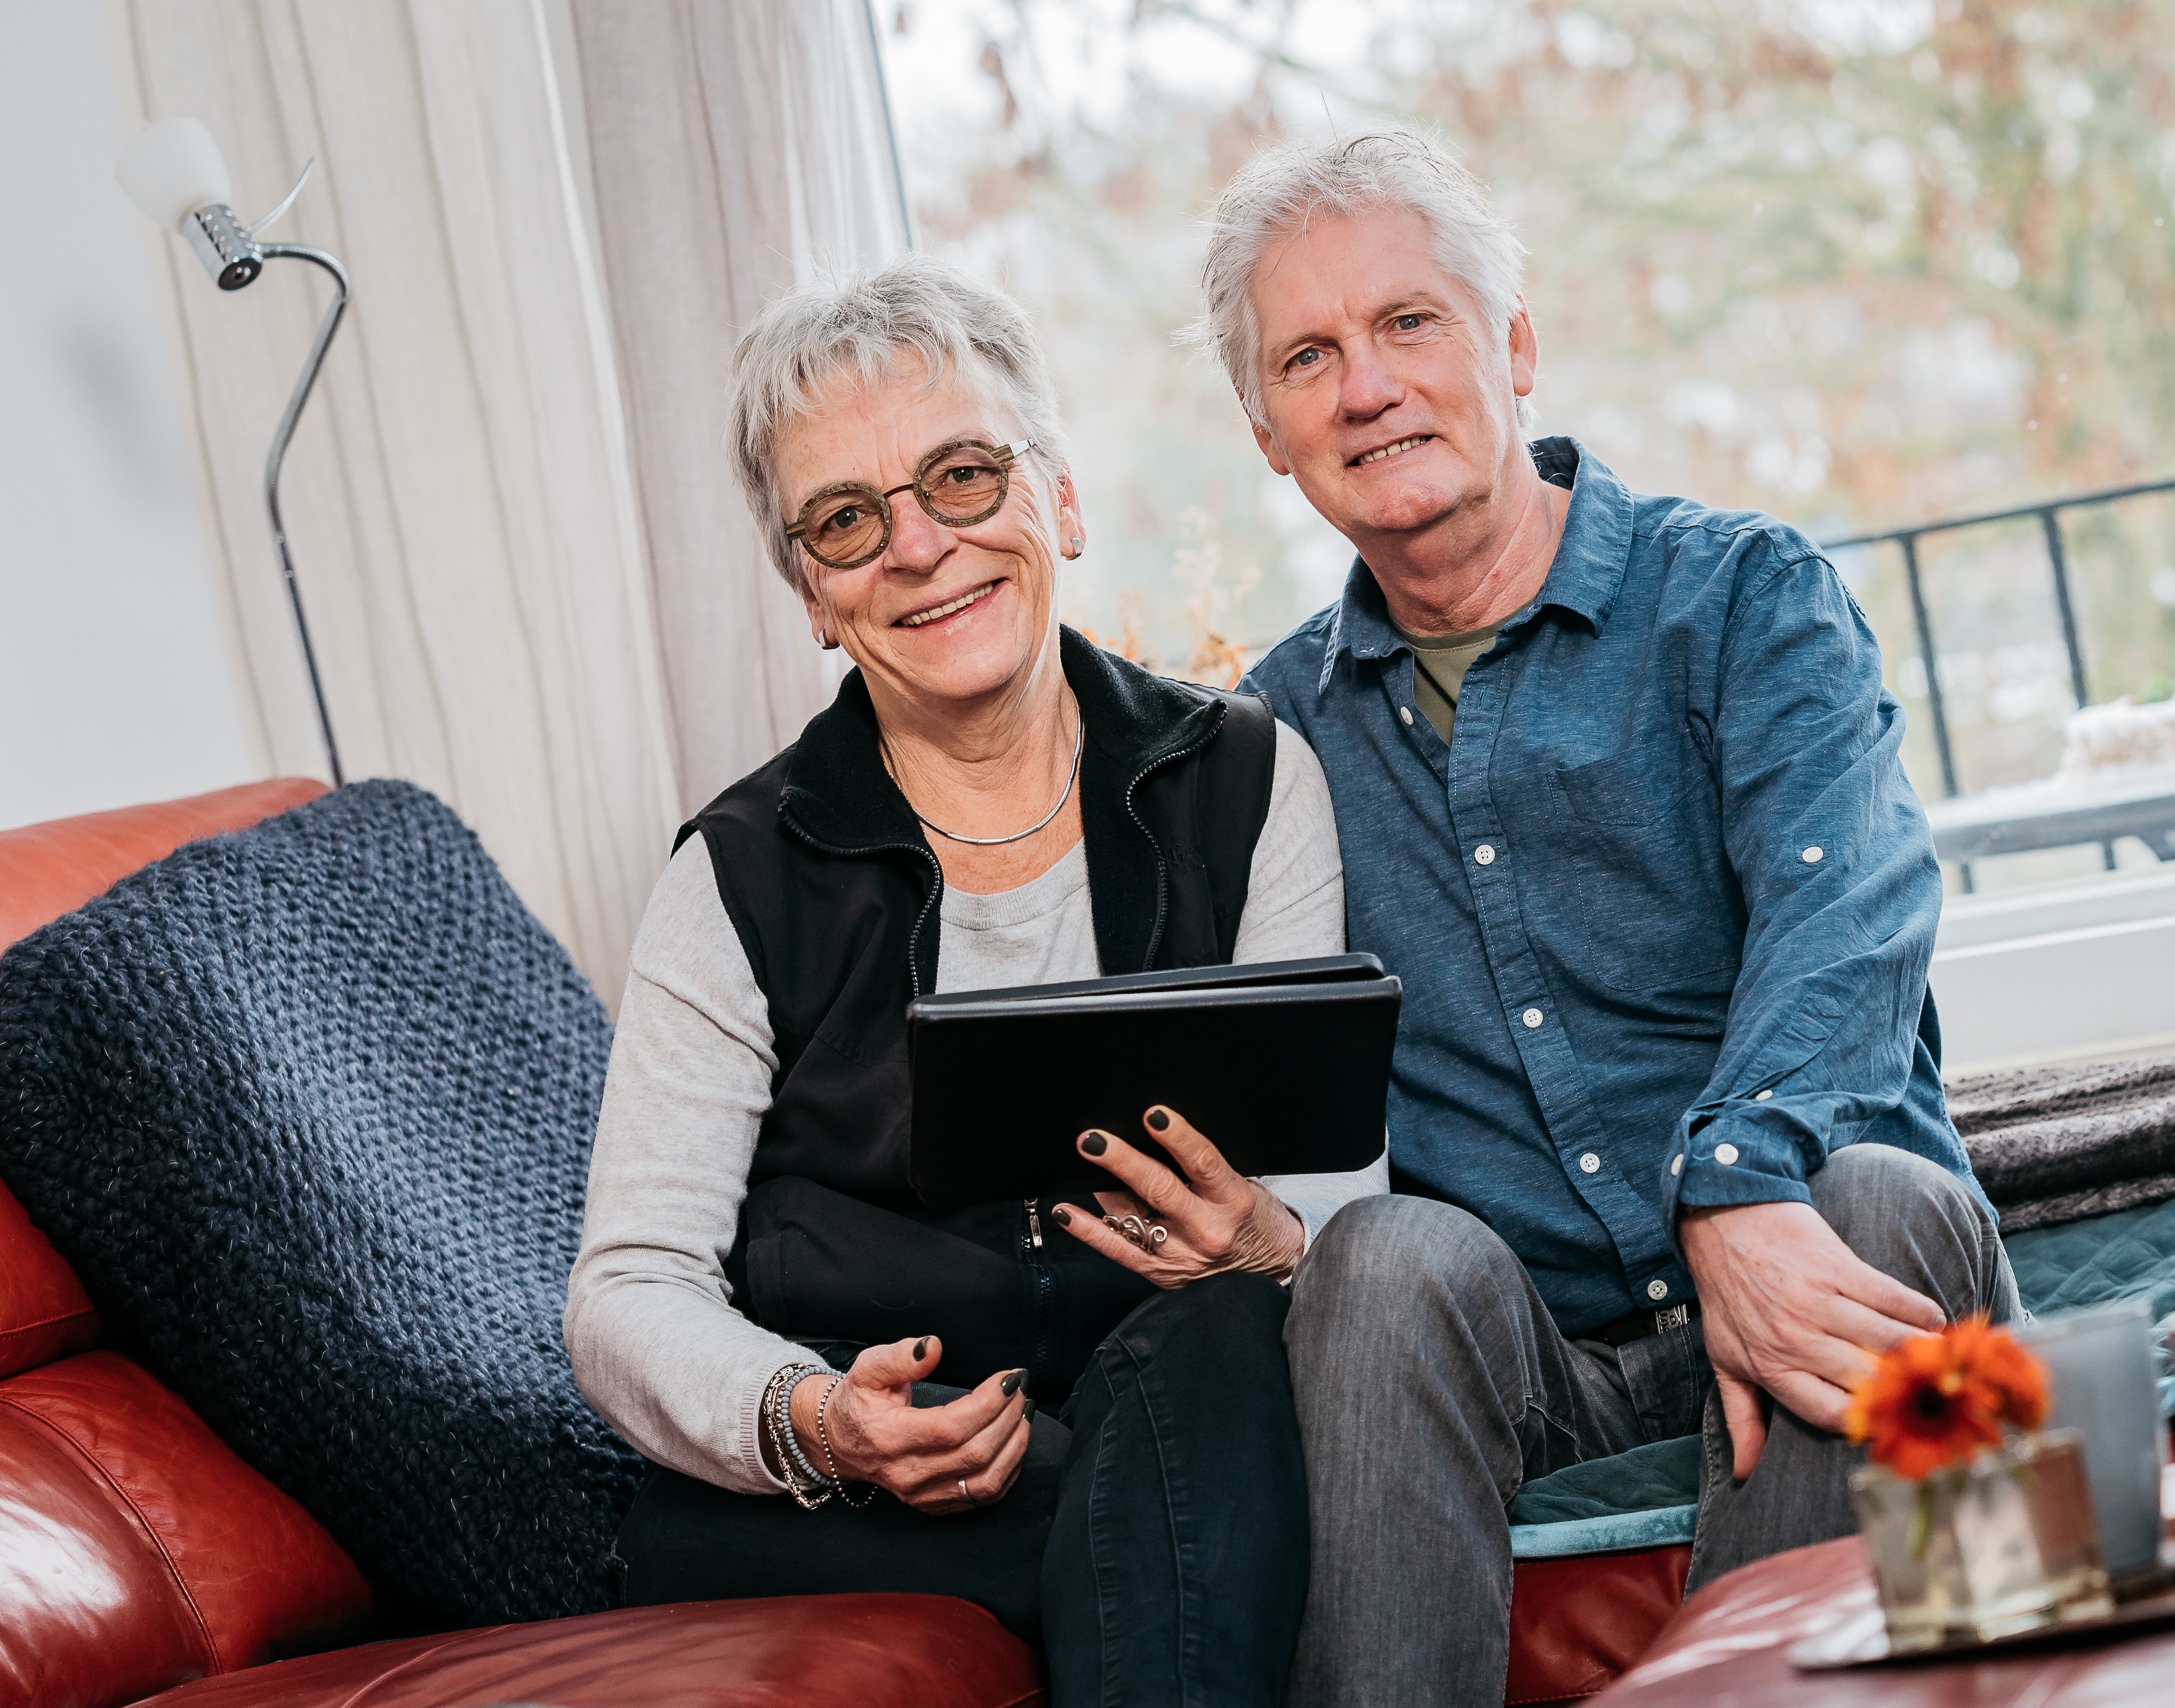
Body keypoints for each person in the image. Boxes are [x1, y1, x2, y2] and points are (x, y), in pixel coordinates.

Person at [1205, 131, 2021, 1705]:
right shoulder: (1273, 738)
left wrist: (1737, 1181)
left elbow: (1849, 916)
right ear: (1269, 433)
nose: (1366, 385)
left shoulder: (1743, 600)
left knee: (1884, 1199)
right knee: (1378, 1262)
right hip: (1542, 1361)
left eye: (1410, 323)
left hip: (1808, 1233)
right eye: (1310, 357)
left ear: (1513, 346)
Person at [565, 254, 1379, 1708]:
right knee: (1191, 1511)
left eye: (961, 476)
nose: (919, 546)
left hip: (1191, 1403)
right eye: (846, 518)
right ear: (813, 592)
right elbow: (628, 1288)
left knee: (1207, 1367)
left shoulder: (1247, 779)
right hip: (856, 1483)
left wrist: (1266, 1236)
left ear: (1057, 500)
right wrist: (814, 1417)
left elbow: (1335, 1202)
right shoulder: (734, 876)